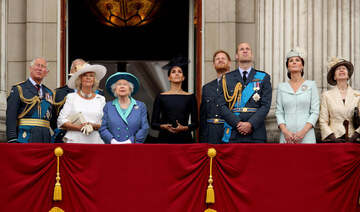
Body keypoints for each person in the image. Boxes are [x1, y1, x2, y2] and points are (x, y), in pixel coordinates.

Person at [218, 42, 272, 143]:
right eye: (241, 49)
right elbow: (222, 106)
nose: (245, 51)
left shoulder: (263, 77)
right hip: (234, 131)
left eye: (248, 49)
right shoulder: (226, 78)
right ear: (237, 56)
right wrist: (237, 123)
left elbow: (265, 106)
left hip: (256, 132)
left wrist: (251, 123)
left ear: (252, 55)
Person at [51, 59, 104, 143]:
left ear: (94, 80)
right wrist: (79, 127)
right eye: (84, 75)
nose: (88, 78)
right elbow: (61, 121)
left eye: (91, 75)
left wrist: (94, 126)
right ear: (80, 80)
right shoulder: (71, 97)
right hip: (75, 140)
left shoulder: (101, 99)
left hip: (95, 141)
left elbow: (105, 123)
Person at [275, 48, 319, 143]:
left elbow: (315, 111)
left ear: (302, 66)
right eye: (291, 61)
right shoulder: (281, 87)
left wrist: (303, 132)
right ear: (288, 67)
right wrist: (285, 132)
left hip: (306, 134)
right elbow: (279, 112)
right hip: (287, 136)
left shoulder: (311, 85)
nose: (294, 62)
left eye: (297, 60)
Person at [6, 57, 54, 143]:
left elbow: (52, 119)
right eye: (37, 65)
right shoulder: (19, 89)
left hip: (45, 139)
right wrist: (12, 139)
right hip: (25, 138)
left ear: (46, 73)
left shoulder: (49, 93)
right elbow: (11, 117)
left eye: (43, 67)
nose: (39, 68)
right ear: (30, 69)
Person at [151, 57, 198, 143]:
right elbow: (153, 124)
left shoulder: (190, 97)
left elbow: (196, 124)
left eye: (179, 72)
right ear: (169, 77)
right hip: (165, 139)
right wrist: (163, 126)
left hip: (185, 139)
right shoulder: (160, 97)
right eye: (173, 72)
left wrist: (185, 128)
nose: (176, 74)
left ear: (183, 77)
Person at [99, 72, 149, 144]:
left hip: (133, 147)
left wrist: (131, 141)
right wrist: (112, 141)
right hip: (114, 147)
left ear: (130, 88)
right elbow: (103, 128)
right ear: (114, 89)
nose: (122, 86)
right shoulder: (108, 106)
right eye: (119, 84)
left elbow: (144, 127)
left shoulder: (140, 106)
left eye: (125, 84)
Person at [319, 57, 360, 142]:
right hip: (334, 139)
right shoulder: (326, 95)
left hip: (354, 139)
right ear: (334, 76)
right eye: (338, 69)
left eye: (344, 68)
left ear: (348, 75)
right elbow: (323, 121)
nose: (341, 70)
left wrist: (353, 138)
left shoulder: (358, 95)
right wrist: (333, 139)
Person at [199, 50, 232, 144]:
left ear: (229, 63)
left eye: (223, 58)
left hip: (230, 133)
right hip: (211, 135)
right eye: (217, 59)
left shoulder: (238, 85)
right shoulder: (207, 88)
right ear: (213, 65)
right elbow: (203, 116)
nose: (220, 60)